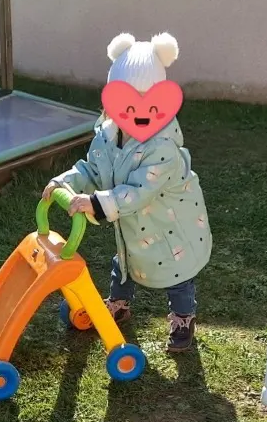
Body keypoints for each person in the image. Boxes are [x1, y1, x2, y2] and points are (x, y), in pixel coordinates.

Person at [42, 32, 212, 353]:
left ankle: (182, 316)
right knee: (124, 261)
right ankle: (119, 303)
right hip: (133, 224)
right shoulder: (107, 134)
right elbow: (92, 169)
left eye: (144, 100)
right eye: (126, 101)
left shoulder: (162, 147)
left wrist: (94, 203)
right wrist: (65, 182)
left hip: (168, 224)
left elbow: (139, 192)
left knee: (175, 274)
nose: (135, 111)